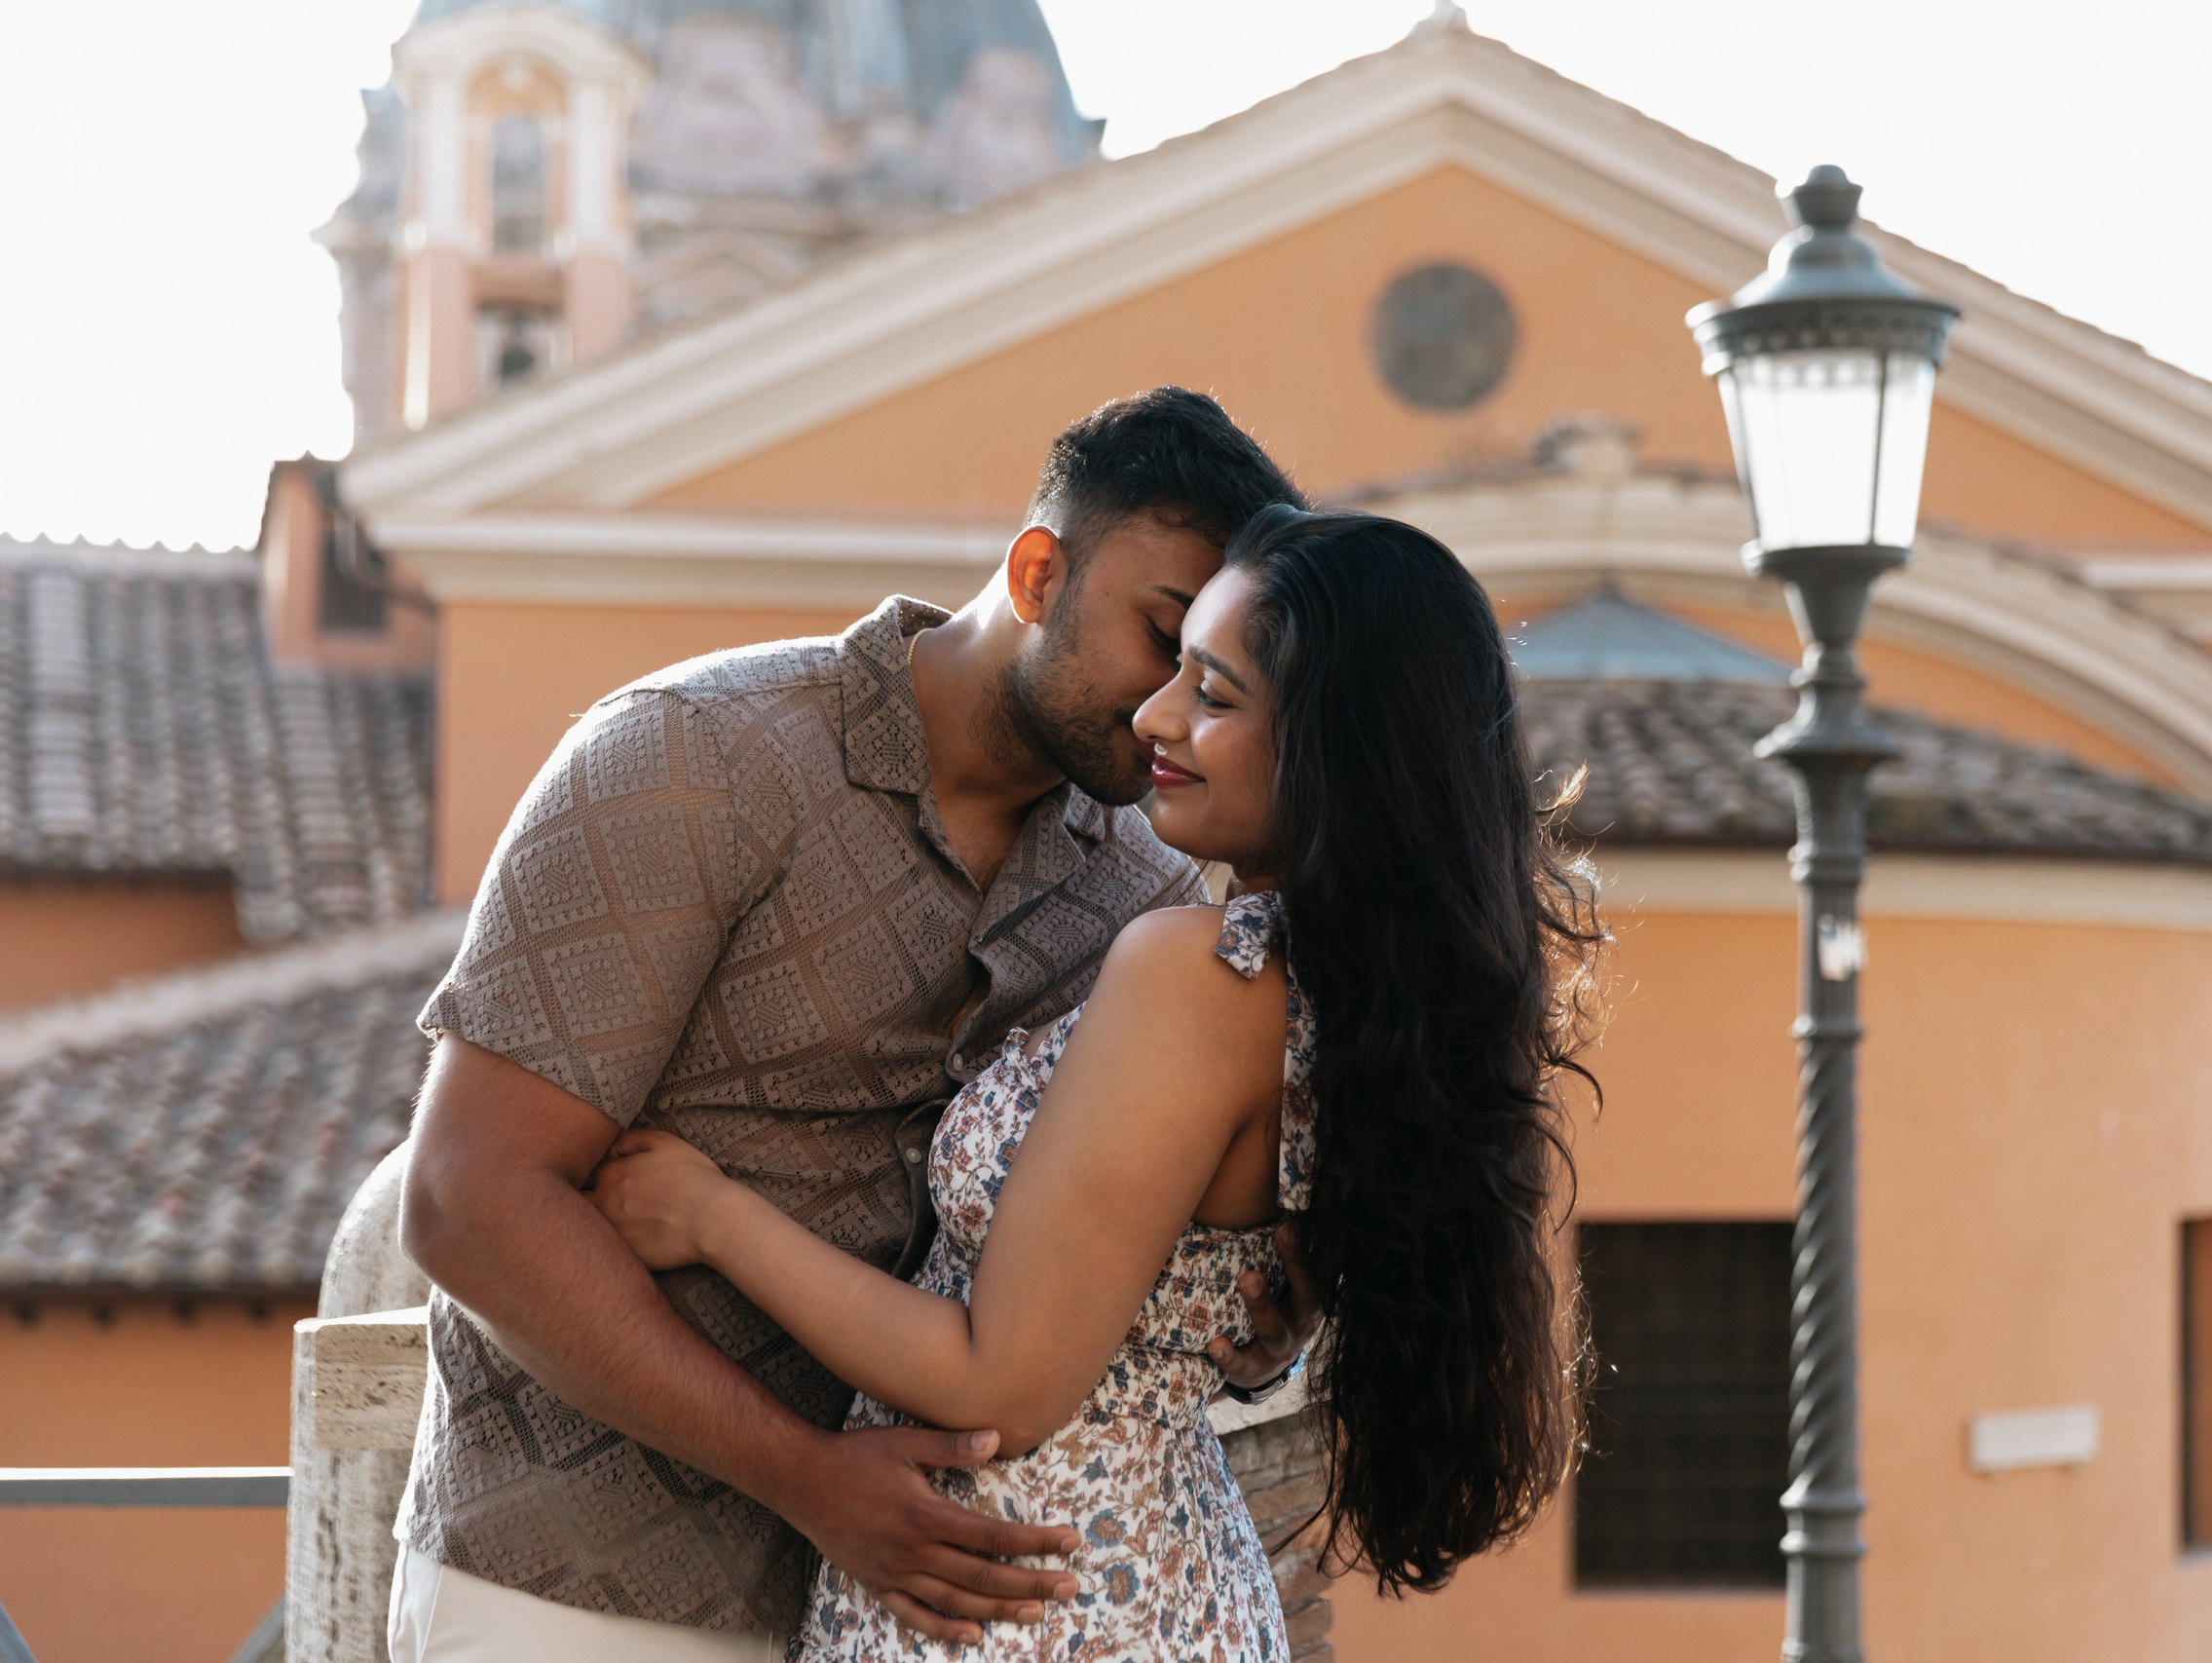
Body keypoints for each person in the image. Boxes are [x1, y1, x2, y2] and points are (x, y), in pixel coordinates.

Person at [391, 389, 1322, 1663]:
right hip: (587, 1579)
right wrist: (808, 1475)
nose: (1170, 703)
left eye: (1212, 672)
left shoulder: (1150, 889)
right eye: (1162, 636)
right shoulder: (694, 754)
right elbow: (466, 1195)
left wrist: (1252, 1315)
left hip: (923, 1610)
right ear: (1041, 570)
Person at [584, 505, 1604, 1661]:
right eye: (1174, 667)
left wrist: (711, 1216)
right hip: (1135, 1585)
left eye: (1216, 697)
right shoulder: (1355, 999)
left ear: (1342, 753)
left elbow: (997, 1385)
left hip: (1035, 1606)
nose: (1157, 715)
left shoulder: (1201, 975)